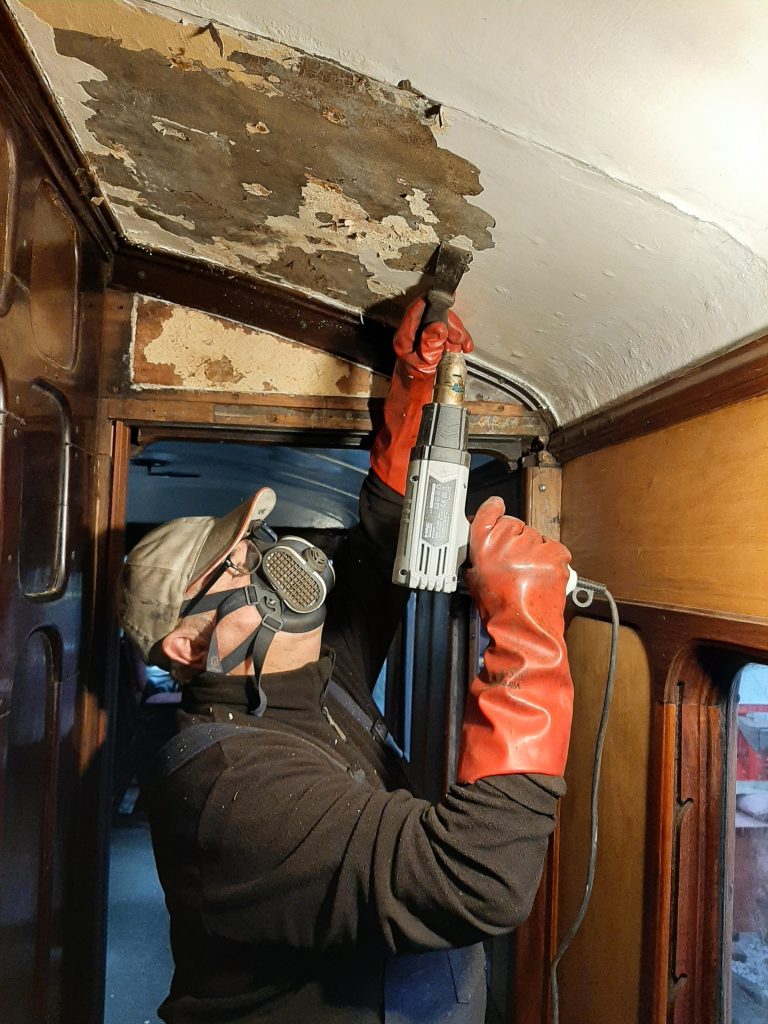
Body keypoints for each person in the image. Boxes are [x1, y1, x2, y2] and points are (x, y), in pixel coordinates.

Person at [118, 298, 575, 1024]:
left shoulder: (317, 677)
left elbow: (377, 549)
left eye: (256, 548)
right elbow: (478, 882)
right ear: (187, 643)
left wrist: (417, 392)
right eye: (237, 571)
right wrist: (528, 631)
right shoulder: (224, 788)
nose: (271, 566)